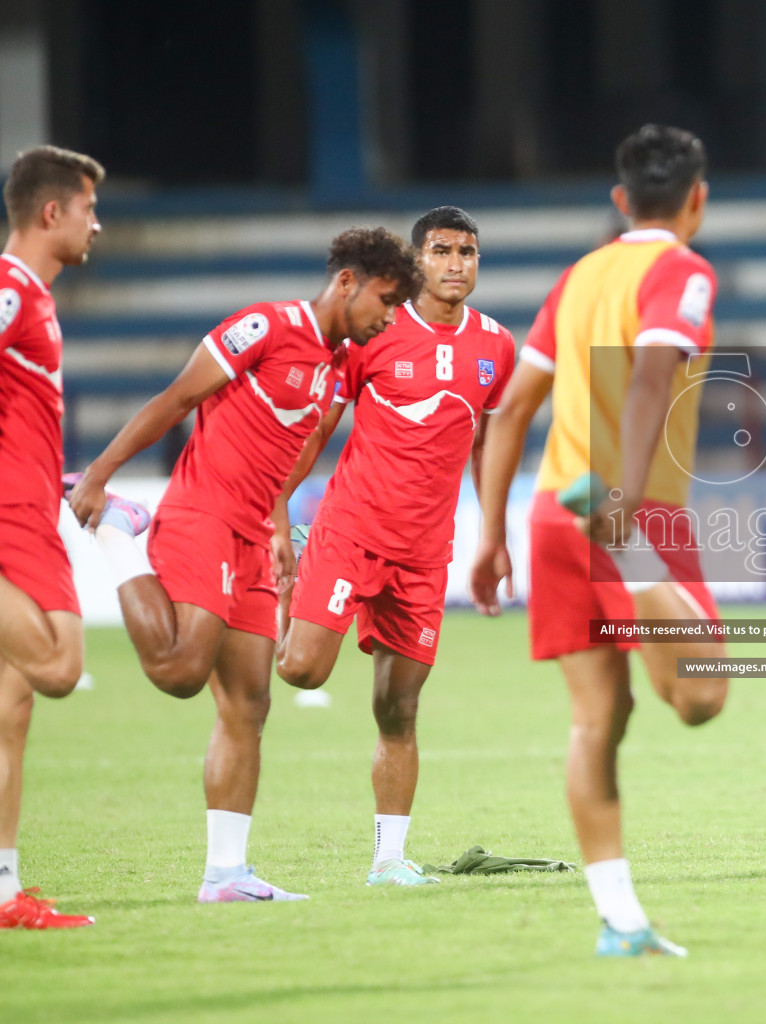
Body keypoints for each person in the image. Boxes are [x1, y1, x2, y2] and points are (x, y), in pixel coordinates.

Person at [66, 228, 420, 902]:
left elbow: (289, 455)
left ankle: (225, 874)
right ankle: (118, 533)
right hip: (203, 515)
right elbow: (176, 400)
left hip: (254, 536)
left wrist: (281, 530)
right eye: (386, 298)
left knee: (249, 702)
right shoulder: (265, 326)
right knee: (178, 670)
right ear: (346, 282)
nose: (389, 315)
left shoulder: (337, 361)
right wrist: (102, 478)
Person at [473, 124, 728, 957]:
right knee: (700, 699)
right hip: (628, 510)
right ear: (697, 198)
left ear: (621, 200)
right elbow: (653, 372)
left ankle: (620, 923)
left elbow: (509, 409)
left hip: (551, 510)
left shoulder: (578, 275)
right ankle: (632, 554)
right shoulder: (683, 271)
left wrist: (489, 534)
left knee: (598, 717)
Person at [274, 207, 515, 886]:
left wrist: (492, 535)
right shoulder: (374, 330)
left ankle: (389, 860)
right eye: (441, 251)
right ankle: (286, 573)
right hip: (351, 531)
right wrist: (274, 507)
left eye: (468, 252)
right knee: (300, 671)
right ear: (417, 260)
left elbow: (489, 445)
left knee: (398, 707)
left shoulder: (497, 345)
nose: (456, 264)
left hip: (424, 551)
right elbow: (320, 427)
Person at [0, 146, 104, 929]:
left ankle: (3, 891)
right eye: (88, 209)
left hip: (33, 510)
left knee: (15, 705)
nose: (96, 225)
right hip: (8, 519)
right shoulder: (8, 290)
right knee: (63, 664)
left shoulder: (33, 296)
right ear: (51, 212)